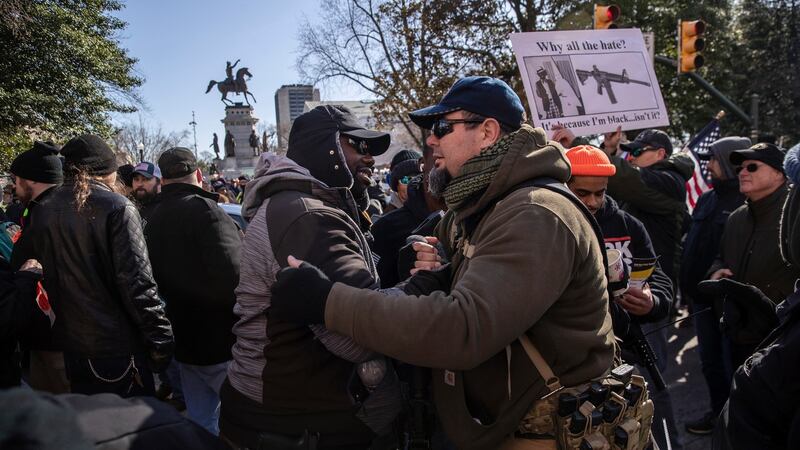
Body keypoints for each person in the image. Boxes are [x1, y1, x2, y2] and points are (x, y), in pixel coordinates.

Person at [269, 77, 617, 450]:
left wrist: (327, 302)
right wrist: (441, 269)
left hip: (545, 434)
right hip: (504, 424)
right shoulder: (482, 204)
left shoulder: (534, 212)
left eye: (441, 127)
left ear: (487, 132)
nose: (431, 141)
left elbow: (462, 329)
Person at [220, 105, 401, 450]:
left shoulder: (298, 204)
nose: (369, 159)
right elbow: (360, 335)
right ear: (327, 147)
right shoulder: (308, 217)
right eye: (358, 146)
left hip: (284, 413)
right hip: (296, 423)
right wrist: (424, 285)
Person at [27, 134, 173, 397]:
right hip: (116, 349)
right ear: (107, 171)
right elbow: (137, 282)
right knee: (131, 431)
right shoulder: (117, 207)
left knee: (97, 427)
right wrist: (161, 340)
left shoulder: (44, 208)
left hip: (74, 346)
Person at [565, 145, 681, 450]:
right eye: (582, 193)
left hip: (635, 351)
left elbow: (656, 274)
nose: (592, 202)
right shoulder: (553, 227)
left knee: (651, 426)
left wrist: (653, 300)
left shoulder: (629, 225)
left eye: (599, 193)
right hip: (579, 363)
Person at [143, 148, 241, 435]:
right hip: (222, 342)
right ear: (199, 175)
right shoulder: (206, 211)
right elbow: (234, 280)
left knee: (201, 423)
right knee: (241, 422)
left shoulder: (150, 216)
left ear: (162, 180)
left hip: (183, 340)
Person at [710, 143, 800, 449]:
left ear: (779, 173)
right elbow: (720, 258)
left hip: (780, 340)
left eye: (752, 166)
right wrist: (717, 273)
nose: (742, 173)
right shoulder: (736, 217)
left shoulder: (791, 212)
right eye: (739, 168)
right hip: (737, 333)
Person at [679, 136, 751, 435]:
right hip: (700, 300)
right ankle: (718, 414)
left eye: (713, 159)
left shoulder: (745, 201)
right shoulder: (708, 198)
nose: (708, 165)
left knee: (732, 364)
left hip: (728, 303)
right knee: (710, 364)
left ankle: (739, 422)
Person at [8, 141, 69, 393]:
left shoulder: (51, 213)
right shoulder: (37, 210)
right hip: (40, 333)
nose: (13, 185)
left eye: (16, 178)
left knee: (67, 402)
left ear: (30, 179)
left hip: (58, 334)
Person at [372, 145, 445, 288]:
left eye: (415, 176)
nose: (412, 181)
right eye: (405, 179)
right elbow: (374, 285)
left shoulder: (462, 216)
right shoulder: (385, 226)